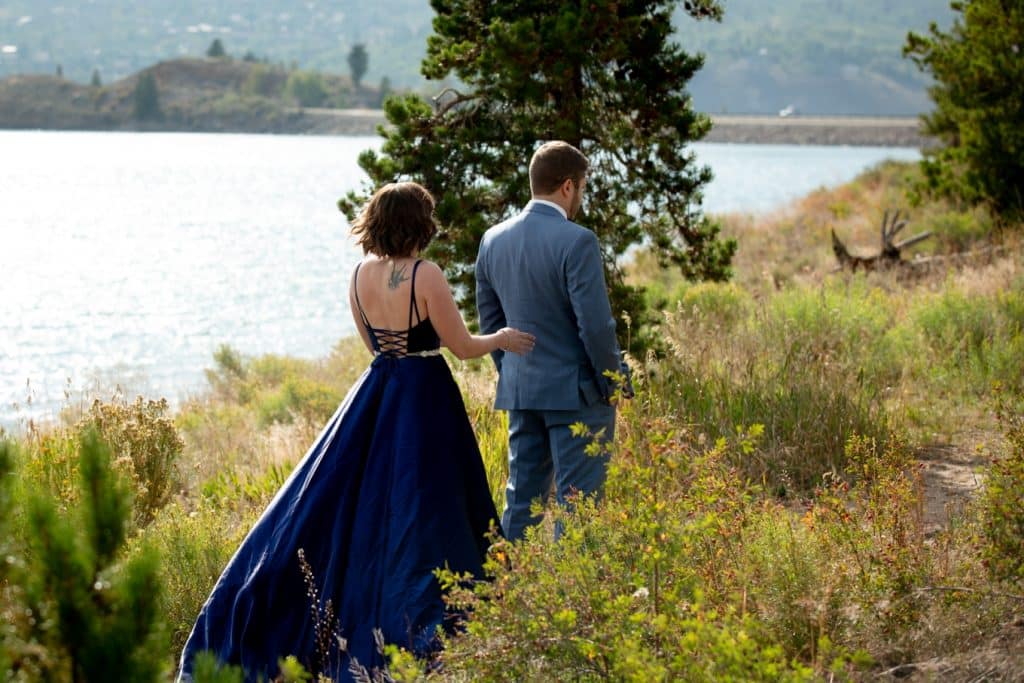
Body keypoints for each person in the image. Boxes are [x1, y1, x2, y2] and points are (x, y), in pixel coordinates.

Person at [177, 181, 535, 682]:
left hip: (377, 391)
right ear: (419, 223)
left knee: (356, 503)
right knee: (428, 506)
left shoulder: (359, 275)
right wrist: (501, 337)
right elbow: (460, 346)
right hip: (424, 397)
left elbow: (374, 343)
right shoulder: (425, 274)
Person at [476, 140, 631, 542]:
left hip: (522, 391)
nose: (580, 196)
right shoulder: (577, 240)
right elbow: (595, 327)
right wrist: (613, 383)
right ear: (567, 186)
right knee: (578, 505)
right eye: (582, 187)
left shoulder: (492, 239)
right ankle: (571, 601)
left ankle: (509, 596)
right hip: (577, 395)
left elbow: (490, 320)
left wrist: (513, 371)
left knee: (521, 502)